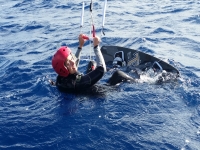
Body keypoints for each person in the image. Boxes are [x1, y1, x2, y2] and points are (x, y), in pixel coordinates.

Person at [51, 34, 135, 93]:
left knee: (92, 63)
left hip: (87, 84)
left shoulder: (61, 77)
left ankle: (111, 68)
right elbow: (102, 70)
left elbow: (73, 64)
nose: (73, 62)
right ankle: (140, 81)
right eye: (68, 63)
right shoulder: (75, 84)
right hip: (104, 92)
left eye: (71, 58)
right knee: (118, 74)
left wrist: (80, 46)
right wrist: (96, 47)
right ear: (63, 69)